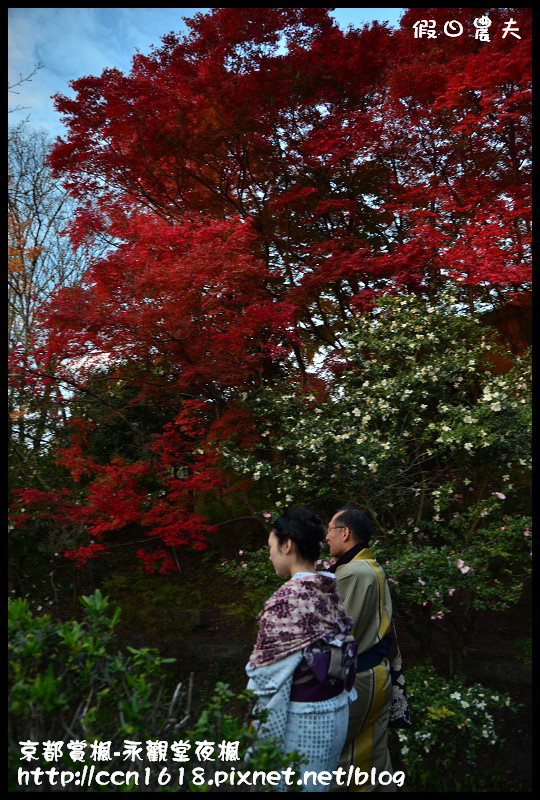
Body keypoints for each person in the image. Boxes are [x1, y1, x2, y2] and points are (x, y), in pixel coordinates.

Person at [246, 506, 357, 793]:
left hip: (302, 719)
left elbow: (267, 678)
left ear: (287, 545)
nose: (270, 553)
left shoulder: (285, 600)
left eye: (271, 546)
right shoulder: (331, 588)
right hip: (336, 710)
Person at [326, 505, 396, 793]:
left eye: (330, 530)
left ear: (345, 533)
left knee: (340, 759)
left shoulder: (352, 573)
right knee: (374, 754)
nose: (326, 536)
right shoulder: (370, 567)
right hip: (377, 675)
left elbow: (337, 635)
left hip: (358, 678)